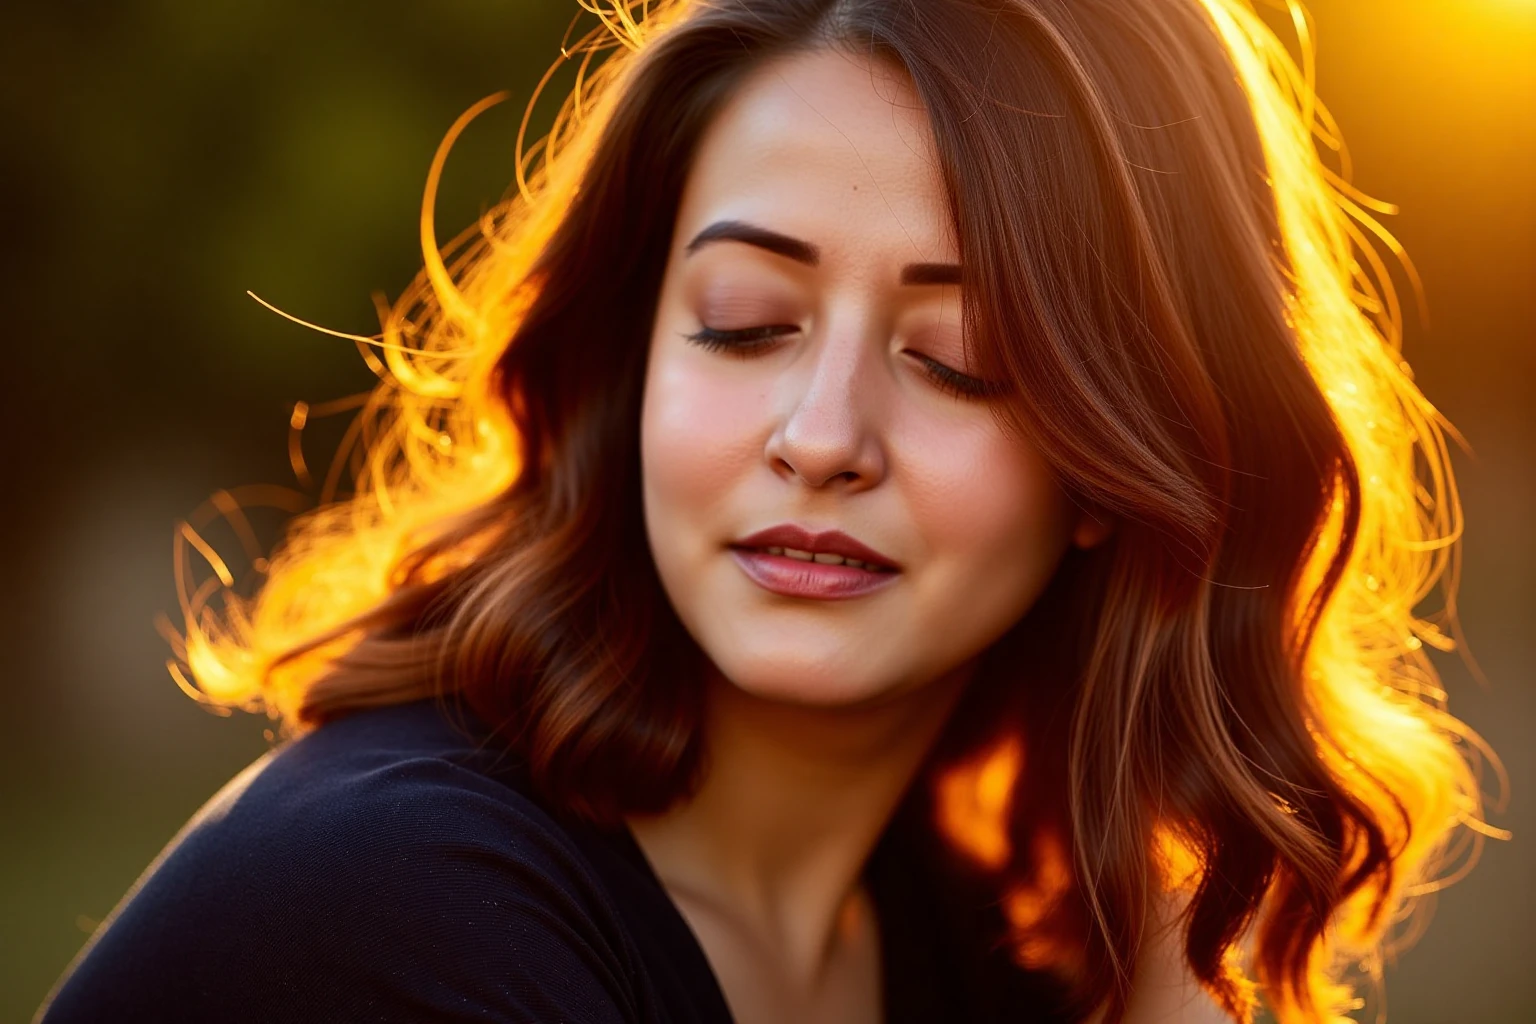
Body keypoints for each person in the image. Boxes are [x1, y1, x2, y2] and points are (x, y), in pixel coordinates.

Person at [35, 0, 1495, 1022]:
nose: (822, 438)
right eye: (745, 322)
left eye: (960, 359)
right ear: (632, 354)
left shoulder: (966, 939)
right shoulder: (389, 914)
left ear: (1129, 459)